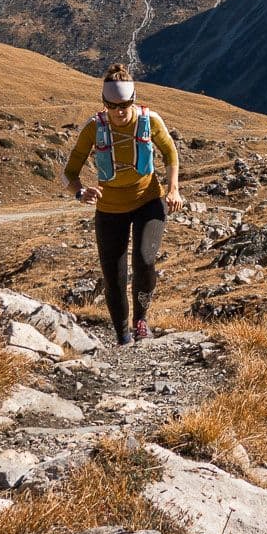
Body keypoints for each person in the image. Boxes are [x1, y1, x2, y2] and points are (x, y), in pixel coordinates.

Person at [64, 63, 183, 346]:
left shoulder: (150, 120)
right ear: (104, 103)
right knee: (113, 277)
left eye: (125, 104)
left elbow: (170, 153)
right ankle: (122, 334)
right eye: (113, 105)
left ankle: (141, 320)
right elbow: (69, 171)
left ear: (133, 99)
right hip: (109, 209)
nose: (120, 111)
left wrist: (173, 189)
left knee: (144, 259)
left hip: (148, 201)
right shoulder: (94, 128)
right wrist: (80, 192)